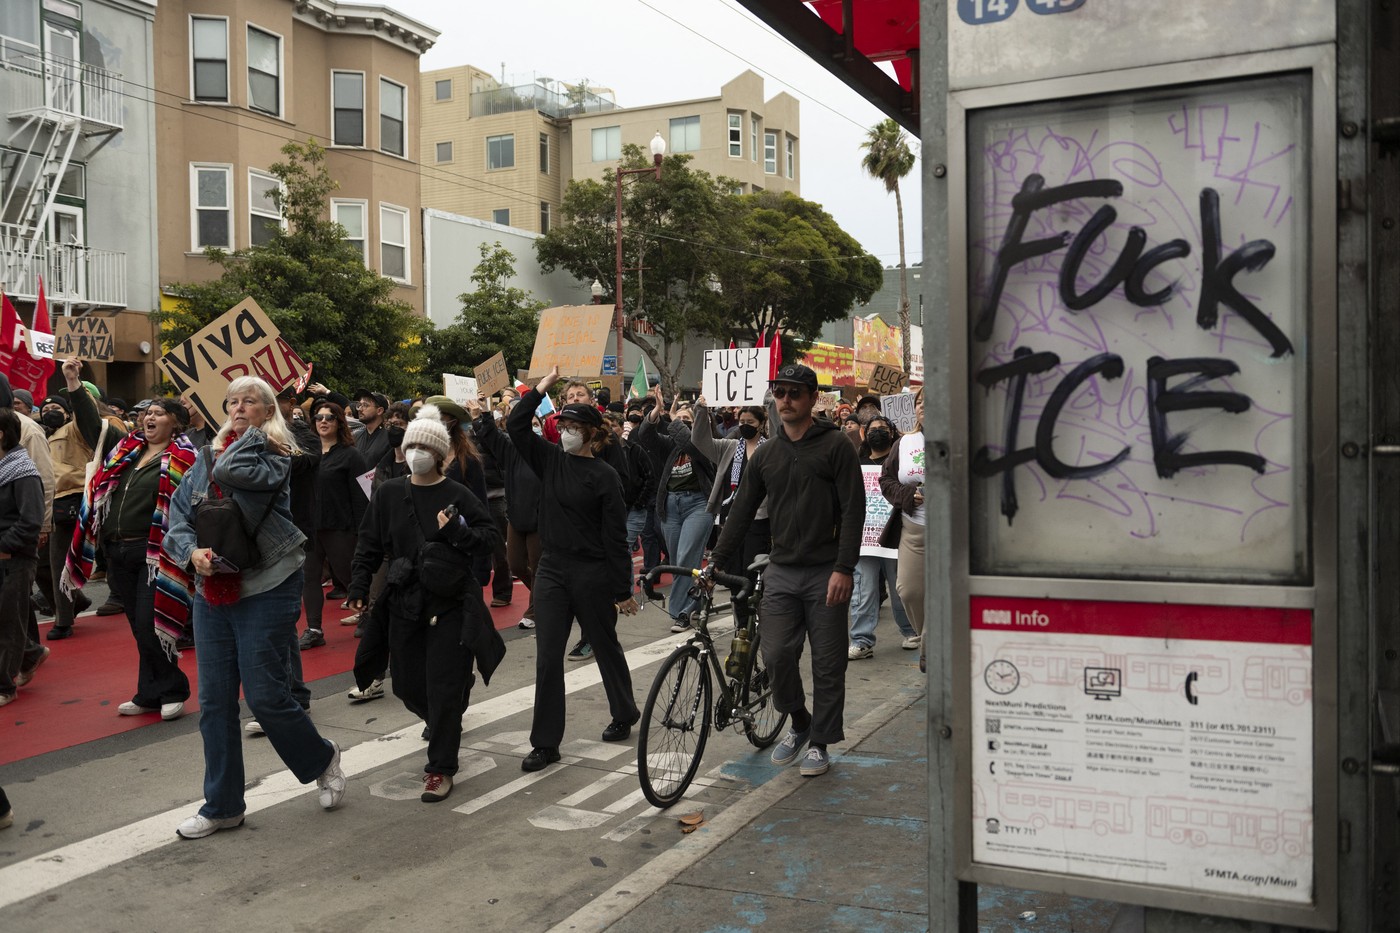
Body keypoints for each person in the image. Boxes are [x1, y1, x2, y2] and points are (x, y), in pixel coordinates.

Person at [164, 376, 346, 839]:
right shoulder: (205, 458)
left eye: (250, 401)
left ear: (268, 411)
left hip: (269, 583)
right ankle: (223, 806)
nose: (239, 408)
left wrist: (240, 437)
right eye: (232, 402)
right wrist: (191, 553)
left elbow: (235, 473)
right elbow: (177, 518)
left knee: (265, 696)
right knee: (215, 703)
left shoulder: (274, 453)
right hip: (214, 589)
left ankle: (321, 758)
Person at [709, 363, 864, 778]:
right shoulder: (767, 454)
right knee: (776, 655)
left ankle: (820, 742)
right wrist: (716, 561)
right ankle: (799, 721)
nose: (786, 400)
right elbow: (741, 510)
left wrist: (844, 567)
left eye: (795, 393)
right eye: (780, 392)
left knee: (828, 663)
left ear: (813, 398)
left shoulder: (836, 446)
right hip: (781, 571)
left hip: (827, 572)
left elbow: (854, 510)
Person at [347, 404, 500, 802]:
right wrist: (359, 585)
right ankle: (447, 711)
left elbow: (489, 538)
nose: (416, 453)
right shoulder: (388, 493)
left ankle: (440, 767)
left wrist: (460, 532)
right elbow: (368, 542)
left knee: (443, 687)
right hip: (405, 600)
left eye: (425, 447)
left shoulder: (458, 495)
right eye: (412, 445)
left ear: (439, 453)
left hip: (449, 602)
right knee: (407, 685)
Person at [507, 366, 640, 773]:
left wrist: (622, 590)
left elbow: (615, 538)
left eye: (573, 426)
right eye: (562, 424)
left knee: (604, 645)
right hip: (551, 570)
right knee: (548, 657)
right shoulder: (549, 460)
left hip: (592, 573)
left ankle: (624, 712)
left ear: (592, 434)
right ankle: (546, 743)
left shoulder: (605, 477)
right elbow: (515, 425)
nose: (565, 431)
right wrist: (541, 387)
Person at [62, 394, 198, 720]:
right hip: (117, 551)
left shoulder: (185, 457)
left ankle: (173, 690)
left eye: (158, 413)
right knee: (139, 626)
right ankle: (149, 693)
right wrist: (74, 386)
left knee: (150, 624)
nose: (149, 418)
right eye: (147, 413)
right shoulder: (126, 450)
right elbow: (92, 425)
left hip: (156, 554)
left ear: (175, 422)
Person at [44, 369, 125, 638]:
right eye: (47, 409)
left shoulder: (92, 426)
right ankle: (65, 615)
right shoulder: (49, 432)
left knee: (113, 551)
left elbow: (86, 416)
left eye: (79, 394)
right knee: (56, 562)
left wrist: (74, 384)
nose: (52, 412)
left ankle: (121, 594)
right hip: (58, 501)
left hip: (89, 496)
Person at [632, 386, 715, 633]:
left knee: (688, 557)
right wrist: (657, 411)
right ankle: (698, 600)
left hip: (698, 505)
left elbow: (689, 442)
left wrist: (677, 418)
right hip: (670, 507)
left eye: (686, 419)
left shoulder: (707, 444)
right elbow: (645, 435)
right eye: (678, 419)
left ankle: (681, 612)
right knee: (679, 561)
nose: (680, 422)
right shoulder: (669, 445)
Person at [298, 399, 368, 650]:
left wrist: (363, 530)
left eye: (329, 417)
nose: (323, 421)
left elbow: (362, 495)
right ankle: (314, 629)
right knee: (310, 577)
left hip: (341, 526)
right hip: (310, 528)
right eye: (318, 417)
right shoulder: (307, 454)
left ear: (340, 423)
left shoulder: (352, 455)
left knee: (349, 574)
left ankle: (367, 615)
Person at [847, 415, 919, 659]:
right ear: (865, 434)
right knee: (863, 589)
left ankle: (911, 631)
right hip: (865, 537)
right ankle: (861, 640)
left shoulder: (901, 462)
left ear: (892, 432)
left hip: (895, 534)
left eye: (883, 428)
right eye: (873, 429)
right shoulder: (857, 463)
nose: (878, 432)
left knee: (900, 587)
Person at [470, 396, 542, 631]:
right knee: (516, 565)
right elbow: (490, 436)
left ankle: (535, 610)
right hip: (516, 517)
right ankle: (550, 593)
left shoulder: (548, 451)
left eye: (534, 422)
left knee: (538, 566)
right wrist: (483, 415)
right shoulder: (511, 450)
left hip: (540, 519)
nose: (530, 426)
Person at [689, 399, 770, 596]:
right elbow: (700, 441)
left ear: (761, 424)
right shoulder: (729, 447)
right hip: (730, 519)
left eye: (750, 422)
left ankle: (755, 609)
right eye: (742, 422)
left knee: (752, 571)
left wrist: (771, 405)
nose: (745, 426)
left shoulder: (770, 448)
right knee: (732, 573)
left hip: (759, 520)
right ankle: (738, 612)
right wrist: (701, 411)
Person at [0, 409, 46, 707]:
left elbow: (31, 520)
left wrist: (5, 546)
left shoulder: (22, 471)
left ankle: (5, 686)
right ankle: (30, 655)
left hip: (14, 558)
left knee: (7, 621)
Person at [879, 387, 927, 672]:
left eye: (928, 402)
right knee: (908, 590)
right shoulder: (905, 442)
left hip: (952, 533)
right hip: (914, 529)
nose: (922, 407)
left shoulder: (962, 438)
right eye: (918, 402)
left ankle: (931, 647)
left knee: (944, 592)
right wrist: (908, 496)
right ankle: (928, 638)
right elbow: (886, 480)